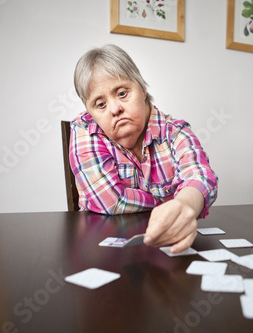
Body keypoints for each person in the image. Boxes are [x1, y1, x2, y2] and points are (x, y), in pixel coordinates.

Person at [70, 44, 218, 253]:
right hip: (102, 249)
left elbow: (201, 176)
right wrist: (164, 200)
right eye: (100, 105)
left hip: (168, 244)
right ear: (90, 112)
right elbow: (111, 201)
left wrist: (185, 203)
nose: (115, 109)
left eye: (122, 93)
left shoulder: (176, 132)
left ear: (142, 89)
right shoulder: (85, 128)